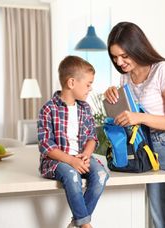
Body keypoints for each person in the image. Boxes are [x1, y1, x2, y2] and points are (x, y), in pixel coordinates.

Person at [104, 22, 165, 228]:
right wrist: (113, 98)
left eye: (124, 56)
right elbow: (127, 119)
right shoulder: (125, 78)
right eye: (115, 57)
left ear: (136, 47)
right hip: (149, 154)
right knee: (158, 223)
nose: (119, 62)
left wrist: (140, 117)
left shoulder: (163, 70)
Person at [37, 55, 109, 228]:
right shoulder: (48, 109)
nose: (90, 88)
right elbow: (46, 145)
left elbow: (92, 137)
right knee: (72, 176)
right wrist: (71, 161)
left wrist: (85, 154)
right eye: (88, 84)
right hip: (57, 161)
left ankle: (76, 223)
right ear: (71, 83)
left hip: (81, 157)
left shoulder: (85, 108)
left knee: (101, 175)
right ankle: (85, 225)